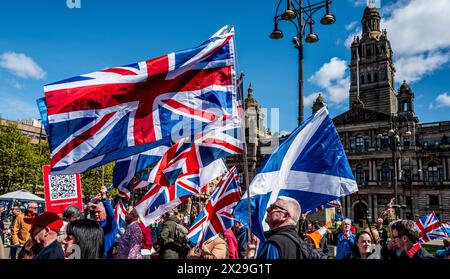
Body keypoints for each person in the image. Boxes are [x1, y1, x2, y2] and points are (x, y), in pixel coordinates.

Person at [247, 196, 322, 259]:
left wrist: (249, 257)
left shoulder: (274, 243)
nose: (268, 209)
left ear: (285, 216)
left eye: (273, 207)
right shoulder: (298, 241)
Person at [94, 186, 118, 259]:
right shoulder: (95, 225)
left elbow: (111, 215)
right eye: (95, 212)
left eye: (98, 212)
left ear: (106, 212)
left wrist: (104, 199)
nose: (96, 214)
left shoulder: (110, 225)